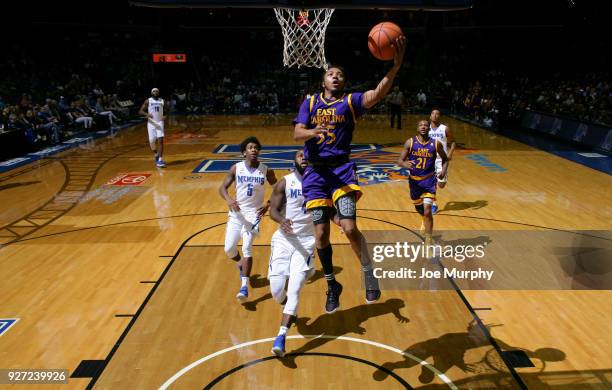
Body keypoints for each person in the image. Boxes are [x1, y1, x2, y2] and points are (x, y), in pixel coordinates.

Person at [292, 36, 406, 313]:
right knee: (320, 235)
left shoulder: (351, 102)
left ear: (344, 82)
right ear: (323, 81)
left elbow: (377, 94)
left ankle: (368, 271)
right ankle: (333, 285)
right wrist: (312, 132)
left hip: (341, 171)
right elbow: (296, 133)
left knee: (350, 227)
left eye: (340, 75)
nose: (335, 76)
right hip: (316, 175)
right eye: (331, 73)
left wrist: (394, 68)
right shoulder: (309, 103)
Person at [268, 150, 315, 357]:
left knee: (294, 290)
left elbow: (329, 208)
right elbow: (273, 210)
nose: (303, 157)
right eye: (299, 155)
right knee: (277, 291)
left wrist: (340, 221)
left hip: (306, 241)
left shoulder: (319, 182)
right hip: (284, 240)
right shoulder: (284, 183)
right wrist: (281, 220)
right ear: (294, 160)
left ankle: (281, 336)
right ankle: (289, 309)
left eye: (307, 155)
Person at [218, 136, 277, 302]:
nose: (253, 150)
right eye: (250, 147)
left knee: (247, 248)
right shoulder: (236, 168)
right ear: (244, 152)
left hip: (254, 215)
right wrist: (229, 199)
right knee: (229, 249)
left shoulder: (266, 170)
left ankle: (244, 287)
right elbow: (222, 188)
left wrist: (268, 204)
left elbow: (278, 190)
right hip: (237, 214)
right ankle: (240, 264)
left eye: (256, 147)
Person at [397, 120, 448, 243]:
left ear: (429, 128)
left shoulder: (436, 144)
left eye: (426, 125)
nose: (423, 127)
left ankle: (428, 239)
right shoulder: (410, 142)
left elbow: (445, 159)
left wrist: (443, 171)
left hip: (429, 181)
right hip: (414, 182)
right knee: (420, 210)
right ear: (417, 128)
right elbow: (399, 161)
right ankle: (424, 220)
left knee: (427, 210)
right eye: (421, 125)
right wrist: (404, 163)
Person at [428, 109, 456, 214]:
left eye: (437, 114)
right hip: (430, 159)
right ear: (430, 116)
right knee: (431, 182)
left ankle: (438, 182)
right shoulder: (426, 129)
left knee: (441, 184)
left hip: (442, 160)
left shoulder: (445, 129)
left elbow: (453, 142)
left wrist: (450, 154)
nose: (435, 115)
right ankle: (433, 204)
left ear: (439, 116)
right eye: (433, 113)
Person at [139, 88, 166, 168]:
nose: (155, 92)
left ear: (159, 92)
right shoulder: (148, 101)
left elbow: (167, 110)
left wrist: (165, 115)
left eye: (157, 91)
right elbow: (140, 111)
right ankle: (156, 154)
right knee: (151, 141)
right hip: (151, 123)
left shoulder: (162, 101)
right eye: (154, 91)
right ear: (151, 93)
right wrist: (146, 114)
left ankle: (160, 160)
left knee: (160, 141)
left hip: (160, 122)